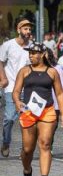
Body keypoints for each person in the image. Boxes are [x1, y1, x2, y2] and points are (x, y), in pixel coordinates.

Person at [12, 42, 63, 176]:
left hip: (47, 111)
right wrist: (17, 102)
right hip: (29, 111)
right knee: (27, 149)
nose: (31, 56)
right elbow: (16, 91)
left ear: (42, 54)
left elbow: (60, 93)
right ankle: (27, 170)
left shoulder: (52, 72)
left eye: (34, 53)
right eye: (29, 53)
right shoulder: (24, 71)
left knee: (45, 144)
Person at [0, 18, 33, 157]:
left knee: (26, 119)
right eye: (25, 29)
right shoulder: (7, 45)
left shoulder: (32, 46)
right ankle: (6, 142)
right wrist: (3, 78)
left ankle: (24, 149)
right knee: (8, 117)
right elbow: (0, 62)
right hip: (11, 88)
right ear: (19, 30)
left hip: (28, 90)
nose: (28, 31)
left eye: (30, 29)